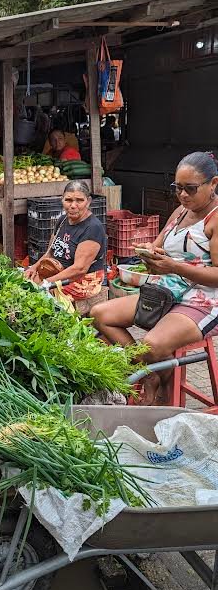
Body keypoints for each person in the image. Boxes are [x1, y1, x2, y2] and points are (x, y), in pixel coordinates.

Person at [92, 151, 218, 404]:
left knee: (151, 344)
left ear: (213, 184)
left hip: (205, 301)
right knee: (100, 314)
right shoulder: (181, 211)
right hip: (168, 290)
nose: (183, 195)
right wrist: (150, 255)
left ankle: (161, 385)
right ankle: (150, 373)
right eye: (178, 188)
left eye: (190, 189)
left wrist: (173, 266)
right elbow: (158, 245)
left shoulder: (214, 219)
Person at [24, 181, 106, 300]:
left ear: (88, 202)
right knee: (24, 283)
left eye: (79, 200)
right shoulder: (62, 220)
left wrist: (47, 283)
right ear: (62, 200)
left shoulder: (93, 228)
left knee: (38, 297)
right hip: (58, 273)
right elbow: (49, 253)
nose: (73, 205)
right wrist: (33, 268)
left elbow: (79, 269)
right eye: (68, 200)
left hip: (84, 280)